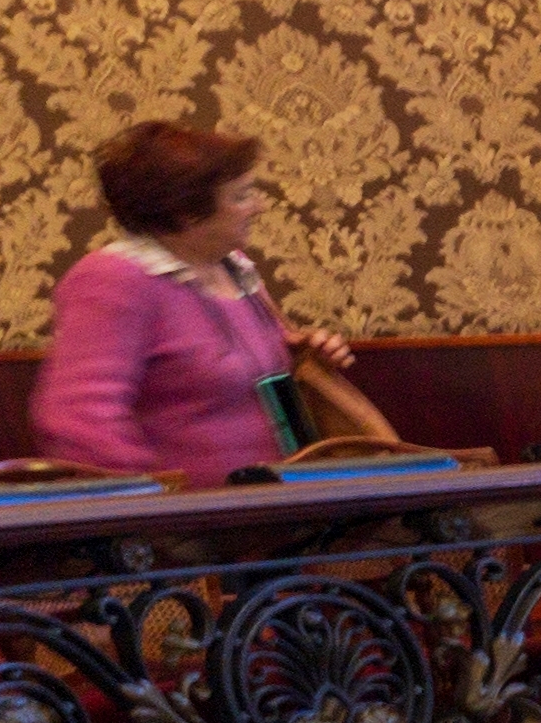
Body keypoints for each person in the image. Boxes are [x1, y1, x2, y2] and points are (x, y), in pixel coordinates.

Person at [21, 118, 403, 483]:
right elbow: (77, 418)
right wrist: (159, 504)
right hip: (194, 531)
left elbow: (246, 372)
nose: (258, 206)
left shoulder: (234, 267)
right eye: (241, 196)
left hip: (281, 507)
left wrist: (308, 352)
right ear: (186, 211)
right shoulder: (115, 280)